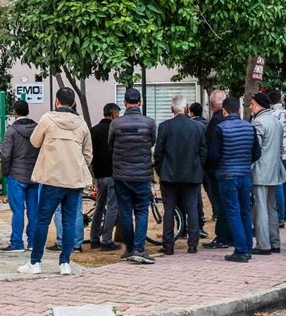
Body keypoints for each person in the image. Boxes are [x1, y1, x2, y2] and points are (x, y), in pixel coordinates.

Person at [17, 87, 92, 276]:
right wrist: (76, 166)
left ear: (57, 102)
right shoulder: (81, 124)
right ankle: (65, 263)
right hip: (74, 181)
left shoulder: (47, 119)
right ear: (74, 103)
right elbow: (88, 154)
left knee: (42, 221)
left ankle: (35, 262)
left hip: (51, 178)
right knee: (69, 221)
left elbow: (34, 141)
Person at [208, 97, 259, 263]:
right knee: (245, 211)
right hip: (245, 175)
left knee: (233, 212)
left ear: (224, 111)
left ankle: (241, 250)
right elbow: (256, 153)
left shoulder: (220, 128)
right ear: (238, 110)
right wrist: (244, 162)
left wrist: (217, 167)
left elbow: (214, 155)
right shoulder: (249, 127)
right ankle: (248, 247)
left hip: (227, 175)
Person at [110, 87, 157, 265]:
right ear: (140, 102)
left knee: (125, 212)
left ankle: (129, 248)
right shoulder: (149, 123)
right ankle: (139, 248)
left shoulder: (116, 124)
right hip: (142, 174)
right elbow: (152, 142)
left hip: (121, 174)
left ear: (125, 103)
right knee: (142, 211)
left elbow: (111, 144)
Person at [153, 94, 206, 254]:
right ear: (187, 109)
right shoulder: (198, 127)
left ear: (171, 109)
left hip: (169, 175)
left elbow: (159, 153)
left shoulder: (164, 126)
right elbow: (203, 151)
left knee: (169, 210)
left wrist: (161, 171)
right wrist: (198, 167)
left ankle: (168, 245)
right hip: (192, 175)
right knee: (192, 209)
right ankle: (193, 244)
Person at [249, 92, 286, 255]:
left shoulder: (258, 122)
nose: (250, 106)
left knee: (260, 208)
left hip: (261, 170)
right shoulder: (276, 121)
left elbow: (255, 149)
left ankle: (263, 244)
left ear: (259, 104)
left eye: (252, 103)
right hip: (275, 169)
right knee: (271, 208)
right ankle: (274, 242)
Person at [0, 99, 41, 252]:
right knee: (33, 210)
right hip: (34, 174)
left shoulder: (11, 131)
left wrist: (5, 172)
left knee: (17, 210)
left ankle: (17, 242)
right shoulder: (37, 129)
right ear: (28, 111)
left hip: (16, 174)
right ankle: (33, 242)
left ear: (14, 113)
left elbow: (5, 155)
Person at [88, 103, 121, 251]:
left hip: (99, 174)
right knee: (112, 207)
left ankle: (94, 238)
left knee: (99, 206)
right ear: (114, 114)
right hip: (113, 173)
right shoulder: (116, 130)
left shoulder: (94, 130)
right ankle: (107, 240)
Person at [202, 89, 232, 250]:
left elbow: (212, 148)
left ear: (212, 104)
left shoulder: (215, 121)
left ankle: (222, 236)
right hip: (232, 168)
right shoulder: (232, 120)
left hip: (218, 170)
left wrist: (209, 167)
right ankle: (229, 235)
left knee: (220, 204)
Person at [268, 90, 286, 226]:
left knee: (277, 184)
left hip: (275, 153)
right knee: (282, 183)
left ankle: (279, 216)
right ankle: (282, 214)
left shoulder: (270, 115)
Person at [187, 102, 209, 236]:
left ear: (191, 112)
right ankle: (214, 213)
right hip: (205, 163)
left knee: (195, 195)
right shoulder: (207, 124)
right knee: (209, 190)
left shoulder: (192, 126)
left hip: (193, 165)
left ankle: (197, 224)